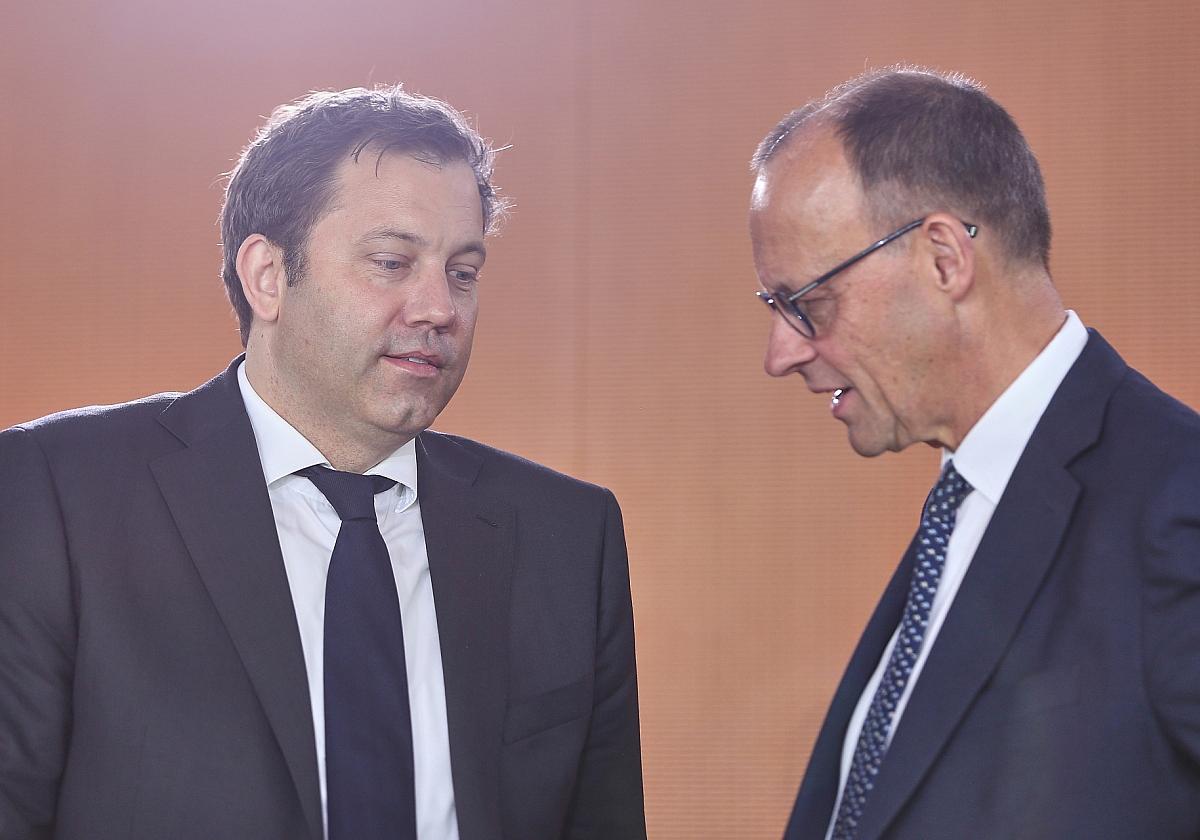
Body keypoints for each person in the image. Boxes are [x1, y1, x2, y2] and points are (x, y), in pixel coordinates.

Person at [0, 86, 645, 840]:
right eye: (392, 262)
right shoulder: (56, 494)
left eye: (463, 272)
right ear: (268, 276)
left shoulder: (566, 536)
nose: (440, 308)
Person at [750, 67, 1200, 839]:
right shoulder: (962, 510)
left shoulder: (1176, 506)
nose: (780, 353)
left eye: (807, 304)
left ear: (943, 259)